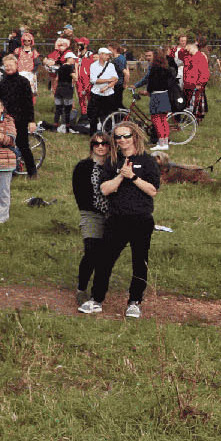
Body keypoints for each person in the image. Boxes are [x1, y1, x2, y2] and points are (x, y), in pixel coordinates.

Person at [91, 120, 159, 319]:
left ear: (135, 137)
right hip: (116, 218)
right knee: (105, 260)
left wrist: (134, 177)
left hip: (141, 219)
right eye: (118, 137)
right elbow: (104, 189)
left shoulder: (147, 161)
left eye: (126, 136)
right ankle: (96, 299)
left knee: (140, 262)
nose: (122, 140)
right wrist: (121, 176)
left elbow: (152, 190)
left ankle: (134, 301)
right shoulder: (112, 161)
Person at [73, 132, 114, 310]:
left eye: (104, 143)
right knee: (91, 250)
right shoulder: (83, 167)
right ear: (91, 147)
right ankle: (81, 288)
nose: (100, 146)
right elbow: (80, 193)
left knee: (105, 254)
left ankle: (98, 290)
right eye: (96, 144)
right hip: (91, 212)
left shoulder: (114, 166)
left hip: (113, 213)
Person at [0, 54, 38, 178]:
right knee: (7, 145)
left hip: (21, 118)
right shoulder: (3, 82)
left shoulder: (23, 82)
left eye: (10, 65)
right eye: (6, 65)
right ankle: (11, 171)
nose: (8, 68)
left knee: (23, 145)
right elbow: (0, 100)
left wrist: (31, 121)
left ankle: (32, 172)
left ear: (16, 65)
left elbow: (29, 102)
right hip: (7, 119)